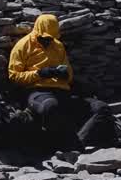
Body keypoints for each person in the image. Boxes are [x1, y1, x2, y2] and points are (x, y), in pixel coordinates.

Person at [7, 13, 115, 148]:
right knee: (51, 106)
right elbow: (14, 76)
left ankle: (78, 143)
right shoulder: (22, 46)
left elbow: (69, 73)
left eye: (51, 38)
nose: (49, 41)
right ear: (38, 31)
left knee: (101, 108)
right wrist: (40, 73)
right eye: (45, 38)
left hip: (62, 91)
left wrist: (65, 75)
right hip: (37, 92)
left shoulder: (58, 45)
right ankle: (67, 145)